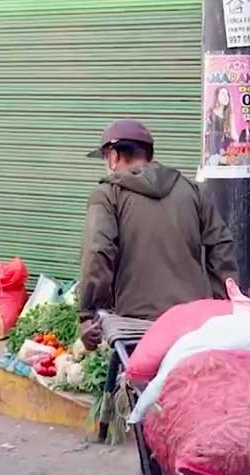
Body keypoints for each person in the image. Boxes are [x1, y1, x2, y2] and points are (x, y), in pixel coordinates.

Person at [79, 119, 238, 343]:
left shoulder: (107, 195)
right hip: (194, 320)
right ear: (149, 154)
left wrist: (88, 313)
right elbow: (221, 244)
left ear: (113, 157)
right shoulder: (193, 190)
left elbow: (98, 251)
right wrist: (220, 303)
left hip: (136, 324)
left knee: (136, 377)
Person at [206, 88, 237, 157]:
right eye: (223, 94)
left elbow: (233, 134)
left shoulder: (229, 115)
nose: (226, 97)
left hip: (226, 151)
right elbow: (206, 133)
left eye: (227, 94)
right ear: (217, 96)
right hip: (212, 151)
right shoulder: (210, 113)